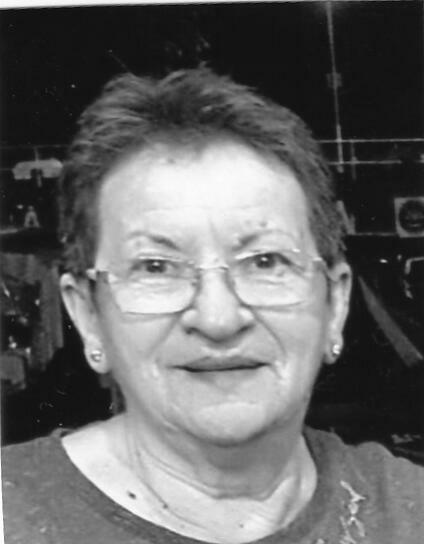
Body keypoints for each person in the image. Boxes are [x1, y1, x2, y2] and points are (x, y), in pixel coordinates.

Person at [2, 67, 423, 544]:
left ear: (336, 303)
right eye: (157, 267)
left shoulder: (409, 512)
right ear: (88, 316)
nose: (218, 319)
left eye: (265, 261)